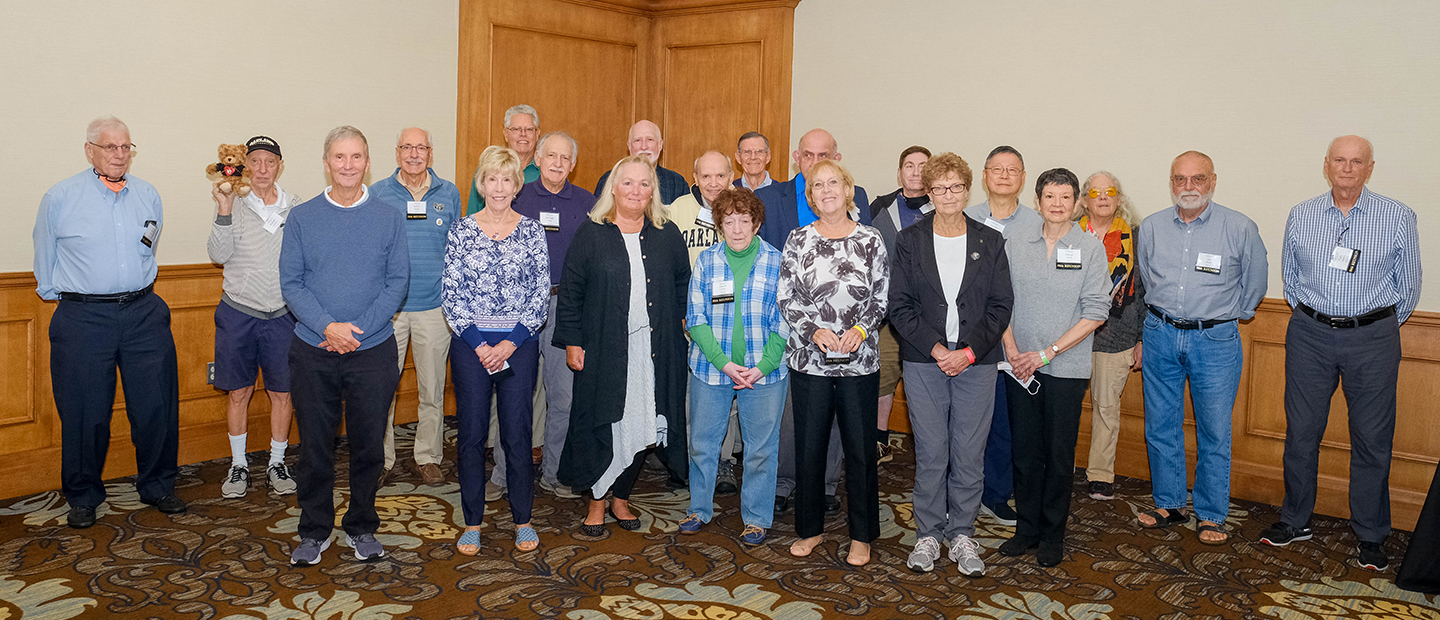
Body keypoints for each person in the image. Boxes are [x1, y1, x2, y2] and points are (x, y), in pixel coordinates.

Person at [1261, 135, 1421, 571]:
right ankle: (1295, 519)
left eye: (1356, 162)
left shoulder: (1397, 216)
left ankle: (1371, 534)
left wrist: (1368, 323)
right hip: (1309, 335)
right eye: (1339, 160)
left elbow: (1409, 287)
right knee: (1301, 433)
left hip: (1373, 339)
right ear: (1326, 165)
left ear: (1370, 168)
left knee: (1372, 440)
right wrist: (1318, 318)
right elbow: (1290, 278)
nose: (1347, 168)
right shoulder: (1303, 213)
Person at [34, 115, 186, 529]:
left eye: (126, 147)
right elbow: (44, 261)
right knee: (86, 412)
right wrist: (66, 296)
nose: (119, 154)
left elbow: (146, 249)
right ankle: (83, 495)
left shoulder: (148, 195)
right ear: (90, 151)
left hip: (144, 313)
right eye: (110, 147)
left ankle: (157, 485)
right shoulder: (60, 197)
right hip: (83, 317)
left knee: (155, 405)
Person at [280, 126, 409, 566]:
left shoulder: (389, 217)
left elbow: (397, 283)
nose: (348, 165)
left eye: (356, 156)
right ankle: (313, 530)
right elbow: (291, 284)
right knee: (315, 447)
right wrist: (328, 327)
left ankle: (362, 526)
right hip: (313, 350)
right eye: (340, 157)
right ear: (326, 161)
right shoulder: (302, 217)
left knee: (369, 446)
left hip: (372, 351)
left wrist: (357, 330)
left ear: (367, 161)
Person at [1135, 150, 1267, 546]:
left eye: (1197, 179)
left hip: (1214, 340)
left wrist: (1228, 316)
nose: (1188, 187)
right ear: (1171, 182)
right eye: (1180, 179)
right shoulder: (1153, 226)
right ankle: (1171, 504)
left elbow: (1255, 283)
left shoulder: (1239, 226)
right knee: (1160, 425)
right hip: (1160, 333)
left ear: (1212, 181)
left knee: (1214, 430)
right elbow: (1145, 276)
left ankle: (1210, 514)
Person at [888, 153, 1012, 575]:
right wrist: (939, 350)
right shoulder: (910, 241)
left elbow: (1001, 305)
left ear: (966, 189)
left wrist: (969, 351)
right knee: (932, 451)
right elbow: (900, 307)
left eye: (955, 187)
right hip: (925, 362)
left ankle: (961, 534)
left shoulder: (990, 240)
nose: (947, 195)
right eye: (938, 188)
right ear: (928, 190)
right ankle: (927, 535)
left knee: (969, 452)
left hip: (976, 362)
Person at [555, 155, 691, 535]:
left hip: (655, 350)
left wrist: (682, 321)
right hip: (603, 350)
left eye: (644, 184)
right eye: (627, 183)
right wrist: (572, 342)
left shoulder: (667, 234)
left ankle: (621, 499)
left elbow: (683, 282)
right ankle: (597, 502)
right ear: (613, 187)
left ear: (653, 191)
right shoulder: (591, 233)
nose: (636, 191)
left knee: (643, 423)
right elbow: (571, 294)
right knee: (607, 423)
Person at [996, 168, 1109, 567]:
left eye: (1065, 197)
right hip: (1019, 367)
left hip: (1065, 368)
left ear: (1077, 202)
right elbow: (1000, 300)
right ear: (1038, 201)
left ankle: (1052, 534)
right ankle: (1025, 529)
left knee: (1058, 454)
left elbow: (1096, 312)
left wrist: (1046, 353)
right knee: (1024, 453)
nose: (1057, 204)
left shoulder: (1091, 248)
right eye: (1049, 196)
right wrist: (1012, 350)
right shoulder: (1015, 242)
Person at [779, 159, 888, 567]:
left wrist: (860, 331)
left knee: (861, 449)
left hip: (860, 361)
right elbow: (787, 297)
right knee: (810, 448)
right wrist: (813, 331)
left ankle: (862, 535)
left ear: (848, 189)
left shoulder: (871, 239)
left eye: (833, 183)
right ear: (810, 197)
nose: (826, 190)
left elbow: (881, 297)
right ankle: (810, 529)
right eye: (817, 185)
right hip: (810, 361)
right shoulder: (798, 239)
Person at [443, 146, 549, 555]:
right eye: (492, 179)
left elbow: (539, 295)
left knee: (517, 434)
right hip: (471, 347)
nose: (499, 187)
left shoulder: (532, 231)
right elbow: (453, 296)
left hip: (518, 346)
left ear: (516, 185)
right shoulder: (461, 231)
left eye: (507, 179)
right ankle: (472, 522)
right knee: (470, 435)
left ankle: (523, 519)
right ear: (481, 183)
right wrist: (482, 345)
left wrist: (507, 343)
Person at [757, 128, 869, 515]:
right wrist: (808, 325)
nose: (815, 162)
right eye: (808, 155)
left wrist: (851, 328)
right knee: (792, 416)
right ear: (796, 158)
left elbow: (870, 279)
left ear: (837, 159)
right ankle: (786, 481)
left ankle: (825, 484)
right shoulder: (770, 198)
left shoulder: (859, 202)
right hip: (792, 325)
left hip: (848, 337)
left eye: (824, 155)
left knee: (837, 416)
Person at [679, 187, 788, 546]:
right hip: (712, 370)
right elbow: (695, 320)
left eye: (745, 221)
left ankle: (756, 519)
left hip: (765, 372)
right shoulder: (707, 262)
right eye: (729, 221)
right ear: (719, 225)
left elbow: (785, 321)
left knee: (760, 448)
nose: (737, 229)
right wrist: (725, 364)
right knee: (702, 444)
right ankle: (699, 508)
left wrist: (763, 366)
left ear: (757, 224)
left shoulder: (777, 262)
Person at [207, 135, 300, 499]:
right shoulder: (233, 199)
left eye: (270, 162)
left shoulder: (296, 206)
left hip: (283, 315)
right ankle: (239, 465)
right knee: (239, 392)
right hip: (238, 312)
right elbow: (217, 253)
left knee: (283, 392)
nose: (262, 169)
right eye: (256, 161)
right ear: (245, 165)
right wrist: (224, 210)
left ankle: (277, 462)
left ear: (279, 165)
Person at [371, 127, 462, 488]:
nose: (413, 154)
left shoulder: (449, 192)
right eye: (407, 147)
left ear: (430, 153)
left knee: (432, 390)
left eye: (420, 147)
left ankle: (428, 456)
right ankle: (381, 458)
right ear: (396, 153)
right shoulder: (377, 193)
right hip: (388, 313)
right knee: (381, 390)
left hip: (433, 309)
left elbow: (457, 250)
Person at [511, 131, 595, 500]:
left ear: (572, 164)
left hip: (567, 306)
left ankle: (554, 473)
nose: (558, 163)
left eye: (565, 158)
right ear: (538, 160)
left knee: (563, 397)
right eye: (551, 156)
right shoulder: (518, 197)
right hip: (521, 306)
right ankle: (506, 473)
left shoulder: (588, 202)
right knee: (515, 393)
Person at [964, 145, 1043, 527]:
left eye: (1013, 169)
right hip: (973, 338)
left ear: (1024, 179)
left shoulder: (1039, 222)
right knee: (968, 423)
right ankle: (962, 491)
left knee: (1007, 425)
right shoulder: (962, 217)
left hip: (1023, 340)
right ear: (984, 175)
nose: (1005, 175)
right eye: (997, 168)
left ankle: (995, 494)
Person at [668, 150, 739, 492]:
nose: (713, 184)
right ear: (694, 178)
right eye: (706, 177)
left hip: (729, 319)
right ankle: (691, 460)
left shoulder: (742, 208)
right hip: (685, 318)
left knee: (729, 393)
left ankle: (724, 461)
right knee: (688, 394)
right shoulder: (676, 209)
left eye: (720, 176)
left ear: (731, 176)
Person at [1076, 171, 1146, 501]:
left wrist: (1142, 338)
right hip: (1069, 337)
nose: (1103, 197)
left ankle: (1100, 474)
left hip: (1116, 336)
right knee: (1062, 409)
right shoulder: (1068, 234)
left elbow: (1146, 291)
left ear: (1119, 198)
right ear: (1084, 200)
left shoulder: (1136, 237)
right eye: (1095, 191)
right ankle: (1057, 467)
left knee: (1106, 408)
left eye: (1110, 191)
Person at [870, 145, 933, 463]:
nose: (916, 171)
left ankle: (928, 448)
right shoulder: (880, 209)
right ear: (900, 172)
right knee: (884, 376)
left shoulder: (943, 211)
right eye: (909, 165)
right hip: (888, 315)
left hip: (929, 318)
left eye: (923, 165)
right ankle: (879, 440)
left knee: (925, 383)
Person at [465, 104, 541, 216]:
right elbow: (473, 216)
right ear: (506, 134)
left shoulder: (545, 173)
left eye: (529, 129)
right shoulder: (487, 171)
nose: (523, 134)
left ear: (537, 134)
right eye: (516, 129)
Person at [591, 120, 689, 204]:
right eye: (637, 140)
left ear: (660, 145)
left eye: (650, 140)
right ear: (629, 146)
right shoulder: (610, 179)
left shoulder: (677, 183)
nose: (644, 147)